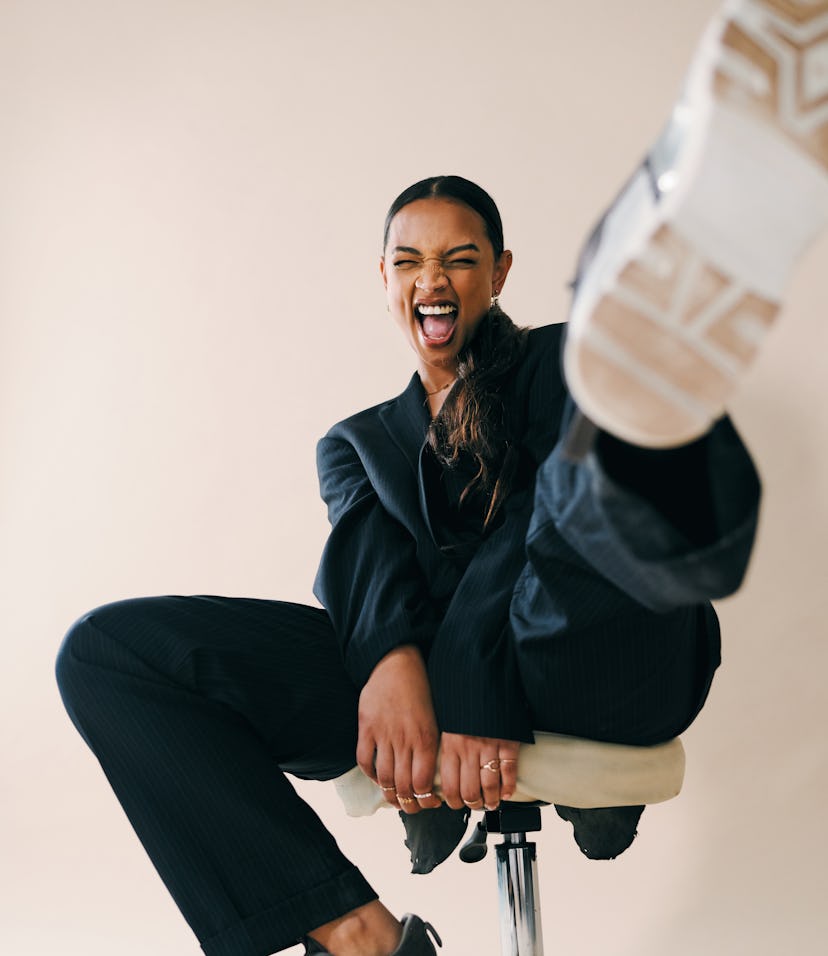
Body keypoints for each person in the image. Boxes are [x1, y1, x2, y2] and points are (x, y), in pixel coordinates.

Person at [54, 2, 828, 955]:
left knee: (570, 511)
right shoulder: (356, 440)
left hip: (596, 654)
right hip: (430, 683)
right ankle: (356, 937)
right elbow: (365, 555)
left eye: (462, 260)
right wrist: (387, 663)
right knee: (108, 654)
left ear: (500, 274)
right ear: (383, 280)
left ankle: (643, 391)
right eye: (411, 261)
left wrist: (466, 684)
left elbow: (523, 543)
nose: (436, 278)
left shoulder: (549, 366)